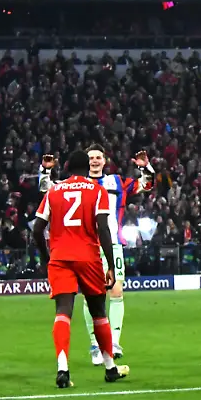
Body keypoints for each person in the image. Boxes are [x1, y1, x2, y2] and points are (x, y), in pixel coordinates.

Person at [40, 145, 153, 365]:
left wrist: (145, 167)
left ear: (105, 161)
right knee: (92, 294)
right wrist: (45, 171)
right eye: (91, 157)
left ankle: (114, 343)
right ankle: (95, 346)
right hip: (87, 244)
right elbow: (47, 188)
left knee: (116, 290)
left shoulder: (116, 182)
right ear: (86, 161)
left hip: (112, 242)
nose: (94, 161)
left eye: (98, 157)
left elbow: (146, 185)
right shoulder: (74, 183)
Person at [32, 150, 130, 388]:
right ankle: (109, 368)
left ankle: (63, 369)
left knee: (63, 312)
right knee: (99, 312)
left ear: (66, 169)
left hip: (60, 258)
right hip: (88, 256)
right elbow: (104, 229)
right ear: (87, 168)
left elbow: (36, 229)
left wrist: (48, 259)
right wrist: (111, 266)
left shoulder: (54, 191)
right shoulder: (98, 190)